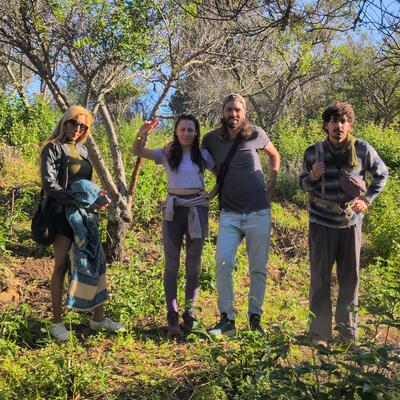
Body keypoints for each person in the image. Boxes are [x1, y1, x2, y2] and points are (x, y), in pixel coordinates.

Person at [299, 101, 388, 344]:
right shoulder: (313, 152)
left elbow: (382, 174)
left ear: (349, 125)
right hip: (321, 222)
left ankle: (347, 336)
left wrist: (367, 199)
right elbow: (302, 184)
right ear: (326, 125)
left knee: (350, 278)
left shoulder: (362, 149)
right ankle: (318, 335)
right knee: (320, 279)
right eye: (334, 121)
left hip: (351, 222)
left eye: (343, 121)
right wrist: (312, 176)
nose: (338, 126)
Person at [40, 105, 125, 341]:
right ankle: (57, 322)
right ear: (64, 121)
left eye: (83, 126)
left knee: (97, 261)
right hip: (61, 214)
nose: (77, 129)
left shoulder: (82, 150)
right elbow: (49, 185)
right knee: (61, 266)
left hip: (84, 216)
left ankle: (98, 318)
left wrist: (96, 198)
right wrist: (82, 201)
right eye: (73, 123)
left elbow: (85, 184)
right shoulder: (53, 148)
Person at [202, 93, 281, 335]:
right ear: (222, 112)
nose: (233, 114)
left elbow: (274, 155)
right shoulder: (210, 139)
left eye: (238, 110)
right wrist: (215, 183)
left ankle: (255, 319)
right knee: (222, 263)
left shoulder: (256, 133)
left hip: (258, 211)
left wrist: (272, 182)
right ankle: (227, 319)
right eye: (229, 109)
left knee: (258, 268)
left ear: (244, 112)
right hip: (230, 213)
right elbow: (203, 162)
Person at [132, 114, 215, 338]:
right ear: (176, 131)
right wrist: (142, 134)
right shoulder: (167, 153)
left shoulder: (203, 155)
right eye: (182, 129)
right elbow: (137, 151)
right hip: (173, 210)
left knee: (193, 264)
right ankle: (172, 314)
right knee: (171, 264)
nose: (186, 133)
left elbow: (222, 175)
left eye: (190, 130)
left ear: (196, 133)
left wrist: (212, 194)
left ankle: (189, 313)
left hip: (197, 209)